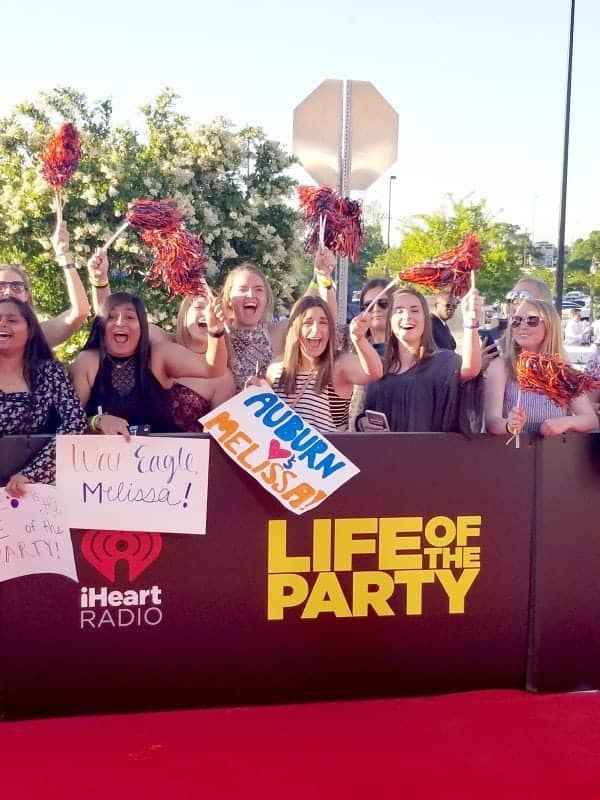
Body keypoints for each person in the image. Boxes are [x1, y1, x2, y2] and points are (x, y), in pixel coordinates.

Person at [70, 292, 227, 437]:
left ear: (142, 327)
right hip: (103, 461)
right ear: (102, 326)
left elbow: (212, 368)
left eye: (129, 317)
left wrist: (215, 331)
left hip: (160, 461)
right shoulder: (87, 362)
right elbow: (70, 423)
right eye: (111, 317)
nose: (120, 323)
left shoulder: (159, 355)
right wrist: (97, 422)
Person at [359, 287, 483, 433]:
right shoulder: (377, 364)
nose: (407, 316)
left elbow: (470, 369)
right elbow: (361, 409)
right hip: (384, 454)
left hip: (426, 453)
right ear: (390, 321)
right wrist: (362, 423)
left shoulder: (442, 363)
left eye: (415, 310)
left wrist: (470, 322)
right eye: (399, 311)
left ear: (425, 318)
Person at [0, 298, 87, 497]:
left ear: (30, 331)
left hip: (30, 491)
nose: (2, 323)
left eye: (12, 320)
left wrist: (33, 473)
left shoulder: (49, 372)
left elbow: (76, 422)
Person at [264, 296, 382, 432]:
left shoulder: (339, 364)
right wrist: (251, 391)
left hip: (329, 450)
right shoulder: (276, 368)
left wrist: (359, 339)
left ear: (330, 329)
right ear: (294, 328)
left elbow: (375, 372)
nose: (316, 330)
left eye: (323, 323)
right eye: (307, 323)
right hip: (282, 451)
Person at [484, 299, 597, 437]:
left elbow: (591, 420)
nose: (522, 325)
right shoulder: (501, 366)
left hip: (551, 453)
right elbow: (491, 421)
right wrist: (509, 425)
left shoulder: (561, 371)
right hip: (511, 453)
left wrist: (566, 422)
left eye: (532, 320)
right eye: (516, 320)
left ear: (549, 325)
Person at [0, 222, 90, 348]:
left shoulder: (37, 336)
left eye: (16, 287)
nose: (8, 292)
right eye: (1, 286)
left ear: (26, 295)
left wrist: (64, 255)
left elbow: (80, 310)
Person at [170, 295, 236, 432]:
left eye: (214, 310)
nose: (208, 314)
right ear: (185, 312)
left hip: (186, 451)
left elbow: (217, 436)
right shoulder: (160, 342)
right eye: (199, 307)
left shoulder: (223, 378)